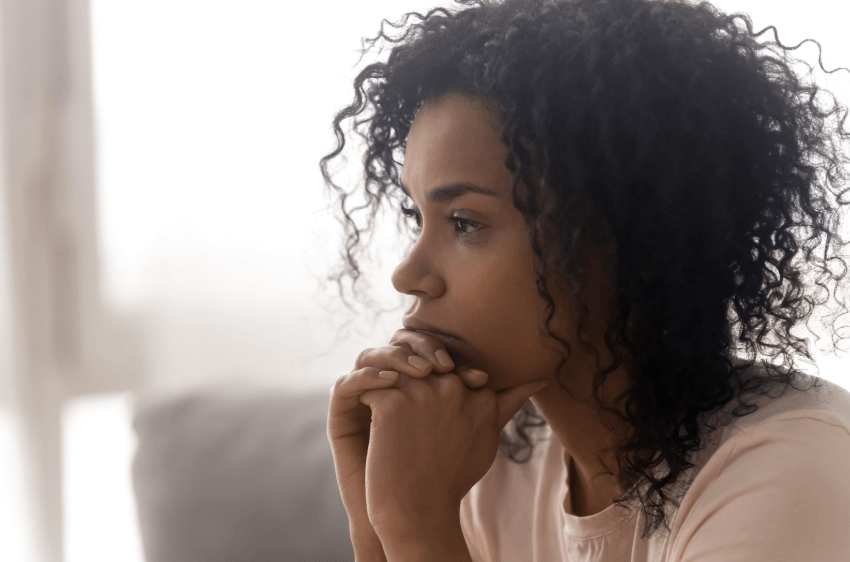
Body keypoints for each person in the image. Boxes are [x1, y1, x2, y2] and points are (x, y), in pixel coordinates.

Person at [321, 0, 850, 560]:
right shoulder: (486, 462)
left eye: (464, 222)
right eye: (417, 218)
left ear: (634, 236)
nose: (409, 276)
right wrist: (373, 521)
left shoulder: (793, 468)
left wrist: (415, 523)